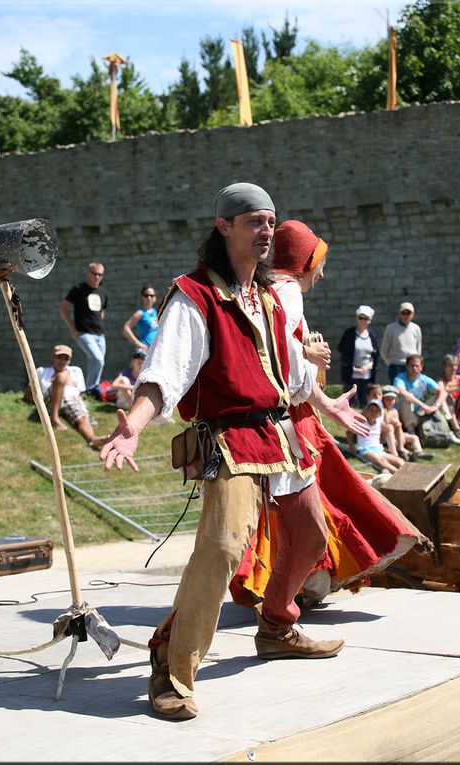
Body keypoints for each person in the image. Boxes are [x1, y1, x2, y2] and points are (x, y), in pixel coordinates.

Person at [100, 185, 427, 721]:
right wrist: (133, 426)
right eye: (255, 221)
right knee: (225, 546)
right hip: (229, 438)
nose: (266, 230)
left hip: (282, 437)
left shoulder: (272, 297)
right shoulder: (195, 295)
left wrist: (317, 376)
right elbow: (165, 375)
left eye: (271, 221)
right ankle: (172, 665)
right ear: (224, 226)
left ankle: (276, 625)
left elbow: (290, 377)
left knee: (311, 536)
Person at [230, 219, 429, 611]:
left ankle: (302, 586)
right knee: (320, 504)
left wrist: (327, 404)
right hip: (290, 424)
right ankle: (294, 593)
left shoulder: (272, 290)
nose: (323, 273)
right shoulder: (287, 291)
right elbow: (282, 360)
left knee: (306, 506)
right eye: (319, 262)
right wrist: (308, 357)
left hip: (292, 418)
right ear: (304, 261)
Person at [23, 344, 109, 450]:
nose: (62, 361)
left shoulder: (76, 371)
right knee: (62, 376)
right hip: (49, 398)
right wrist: (40, 404)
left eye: (66, 358)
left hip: (71, 399)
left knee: (82, 417)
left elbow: (79, 394)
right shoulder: (42, 371)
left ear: (69, 360)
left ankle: (92, 439)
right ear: (53, 358)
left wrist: (82, 409)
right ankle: (54, 418)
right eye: (60, 357)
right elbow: (27, 394)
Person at [58, 262, 108, 391]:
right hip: (83, 333)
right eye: (95, 274)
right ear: (88, 273)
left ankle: (88, 391)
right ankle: (92, 390)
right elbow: (63, 309)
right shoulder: (78, 289)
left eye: (100, 275)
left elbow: (102, 311)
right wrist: (72, 330)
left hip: (99, 334)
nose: (97, 277)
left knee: (95, 363)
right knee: (98, 360)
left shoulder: (103, 292)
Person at [393, 354, 460, 444]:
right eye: (412, 365)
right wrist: (423, 405)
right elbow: (402, 392)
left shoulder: (424, 379)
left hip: (420, 412)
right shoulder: (400, 378)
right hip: (404, 413)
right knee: (406, 399)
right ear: (407, 366)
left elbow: (442, 392)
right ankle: (413, 434)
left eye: (417, 366)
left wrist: (435, 406)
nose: (414, 368)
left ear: (421, 367)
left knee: (441, 395)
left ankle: (450, 430)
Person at [337, 305, 379, 408]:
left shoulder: (372, 335)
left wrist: (368, 367)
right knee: (351, 403)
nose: (363, 321)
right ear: (357, 318)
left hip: (366, 374)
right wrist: (352, 368)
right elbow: (342, 351)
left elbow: (375, 355)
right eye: (361, 318)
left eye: (366, 319)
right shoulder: (349, 334)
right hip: (352, 374)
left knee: (365, 402)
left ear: (370, 320)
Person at [348, 399, 404, 474]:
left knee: (400, 461)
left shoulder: (379, 423)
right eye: (371, 410)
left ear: (380, 414)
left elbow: (388, 429)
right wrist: (351, 445)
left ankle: (404, 473)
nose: (373, 413)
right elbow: (349, 433)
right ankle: (399, 474)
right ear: (366, 411)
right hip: (365, 449)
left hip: (378, 449)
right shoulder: (362, 422)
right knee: (382, 461)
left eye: (376, 411)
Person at [381, 385, 432, 461]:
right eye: (387, 399)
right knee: (395, 441)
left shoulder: (394, 411)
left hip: (397, 436)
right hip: (387, 438)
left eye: (392, 399)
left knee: (414, 437)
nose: (390, 402)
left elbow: (399, 427)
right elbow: (383, 426)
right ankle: (406, 453)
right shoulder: (382, 411)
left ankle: (419, 451)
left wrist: (401, 437)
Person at [380, 302, 422, 383]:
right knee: (396, 392)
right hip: (396, 366)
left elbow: (418, 349)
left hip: (412, 366)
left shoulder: (416, 328)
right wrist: (390, 363)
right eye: (403, 313)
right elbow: (384, 350)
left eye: (408, 313)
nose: (406, 316)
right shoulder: (390, 328)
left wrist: (416, 364)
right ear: (400, 314)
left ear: (412, 314)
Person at [122, 283, 159, 352]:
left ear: (155, 297)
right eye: (146, 295)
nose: (149, 298)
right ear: (142, 297)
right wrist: (139, 344)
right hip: (145, 350)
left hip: (155, 349)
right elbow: (125, 328)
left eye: (151, 295)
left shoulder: (154, 311)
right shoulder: (140, 313)